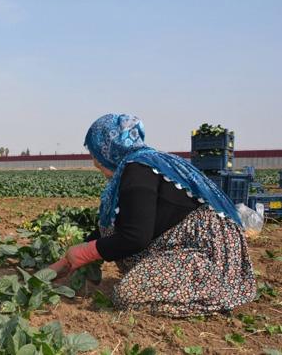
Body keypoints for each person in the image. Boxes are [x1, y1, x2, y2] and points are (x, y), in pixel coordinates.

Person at [49, 113, 256, 317]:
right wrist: (66, 260)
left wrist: (87, 252)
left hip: (209, 253)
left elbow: (135, 236)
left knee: (127, 294)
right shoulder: (138, 164)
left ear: (109, 149)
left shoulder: (137, 169)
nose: (94, 161)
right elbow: (116, 226)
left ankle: (218, 289)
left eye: (95, 153)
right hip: (191, 244)